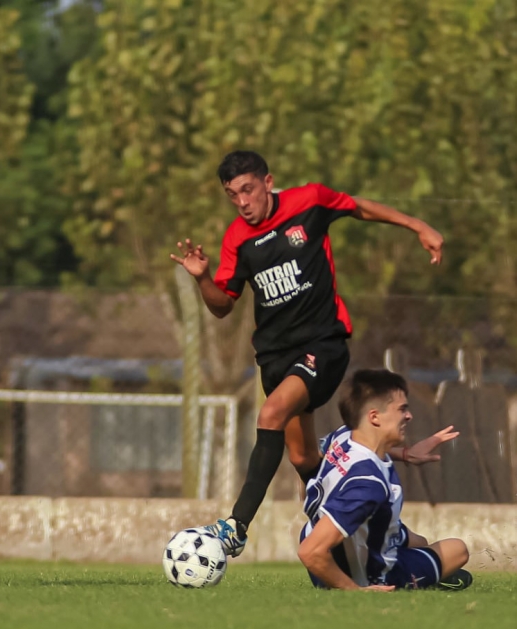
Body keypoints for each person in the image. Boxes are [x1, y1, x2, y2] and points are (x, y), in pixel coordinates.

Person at [170, 150, 445, 557]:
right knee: (303, 458)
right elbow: (222, 305)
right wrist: (203, 278)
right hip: (275, 358)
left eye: (248, 190)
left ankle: (235, 526)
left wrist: (416, 224)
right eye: (233, 195)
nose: (243, 202)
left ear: (267, 182)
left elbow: (357, 207)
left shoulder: (309, 201)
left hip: (323, 345)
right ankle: (395, 539)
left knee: (271, 415)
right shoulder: (236, 240)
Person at [298, 369, 472, 591]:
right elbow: (310, 552)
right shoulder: (367, 483)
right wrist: (358, 591)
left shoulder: (343, 436)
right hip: (359, 574)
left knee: (418, 541)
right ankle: (410, 582)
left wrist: (406, 454)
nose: (408, 416)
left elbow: (327, 455)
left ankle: (417, 565)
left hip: (329, 551)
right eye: (402, 409)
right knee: (458, 549)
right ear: (374, 417)